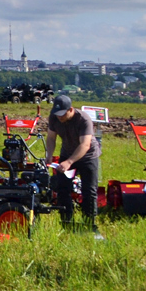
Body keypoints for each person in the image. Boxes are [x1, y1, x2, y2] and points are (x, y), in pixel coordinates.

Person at [44, 94, 103, 239]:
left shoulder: (83, 120)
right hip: (67, 153)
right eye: (57, 115)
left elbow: (85, 145)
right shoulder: (54, 118)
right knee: (63, 188)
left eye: (62, 115)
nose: (59, 118)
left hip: (88, 156)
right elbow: (51, 138)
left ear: (70, 110)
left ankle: (90, 225)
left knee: (89, 191)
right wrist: (49, 154)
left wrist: (69, 162)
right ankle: (66, 222)